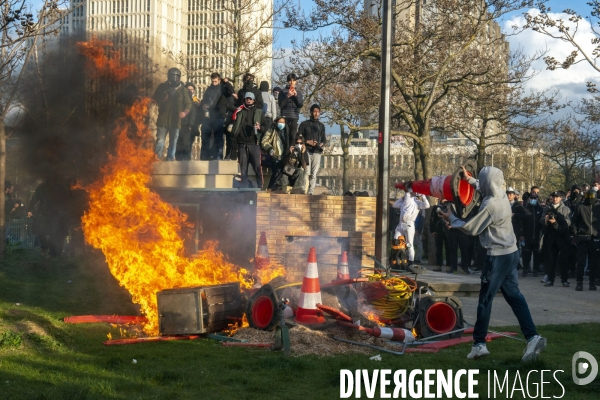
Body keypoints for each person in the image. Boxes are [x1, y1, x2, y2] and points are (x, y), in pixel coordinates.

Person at [439, 166, 546, 361]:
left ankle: (479, 344)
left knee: (485, 301)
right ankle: (532, 337)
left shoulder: (490, 205)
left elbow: (471, 228)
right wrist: (469, 179)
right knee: (514, 297)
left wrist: (451, 218)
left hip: (496, 256)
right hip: (511, 252)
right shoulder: (502, 196)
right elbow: (483, 185)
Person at [152, 68, 192, 161]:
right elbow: (154, 98)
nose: (174, 79)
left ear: (179, 77)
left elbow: (188, 104)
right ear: (168, 76)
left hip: (176, 120)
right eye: (172, 76)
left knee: (173, 141)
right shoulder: (162, 87)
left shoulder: (182, 90)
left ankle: (170, 158)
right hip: (163, 120)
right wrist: (162, 99)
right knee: (160, 140)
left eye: (176, 76)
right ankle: (157, 158)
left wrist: (184, 112)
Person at [230, 92, 266, 189]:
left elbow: (266, 127)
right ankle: (244, 188)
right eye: (247, 99)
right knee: (243, 169)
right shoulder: (240, 112)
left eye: (250, 98)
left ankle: (260, 187)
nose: (248, 100)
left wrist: (260, 128)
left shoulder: (259, 112)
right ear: (244, 100)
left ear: (254, 100)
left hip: (254, 144)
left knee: (257, 167)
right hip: (242, 144)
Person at [540, 191, 571, 287]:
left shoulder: (565, 209)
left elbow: (568, 222)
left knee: (563, 260)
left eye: (557, 197)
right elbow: (541, 221)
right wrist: (545, 220)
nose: (555, 199)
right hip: (551, 237)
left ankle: (564, 279)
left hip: (562, 237)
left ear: (561, 198)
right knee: (551, 260)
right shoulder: (547, 208)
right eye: (553, 197)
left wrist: (556, 221)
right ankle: (550, 279)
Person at [570, 189, 600, 291]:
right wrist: (575, 234)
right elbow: (574, 222)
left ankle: (592, 282)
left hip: (595, 238)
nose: (590, 198)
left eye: (592, 196)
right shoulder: (580, 207)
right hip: (582, 237)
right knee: (581, 262)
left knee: (594, 262)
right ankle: (579, 282)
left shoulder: (598, 207)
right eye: (588, 196)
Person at [392, 190, 430, 266]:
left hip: (409, 224)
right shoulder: (405, 201)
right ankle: (397, 259)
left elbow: (427, 205)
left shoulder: (417, 202)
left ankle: (411, 261)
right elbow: (394, 205)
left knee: (409, 244)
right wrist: (401, 198)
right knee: (396, 240)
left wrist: (423, 195)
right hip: (401, 224)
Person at [200, 72, 232, 160]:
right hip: (209, 116)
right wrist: (204, 105)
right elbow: (204, 99)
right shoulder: (209, 89)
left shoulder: (223, 88)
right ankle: (207, 157)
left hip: (220, 115)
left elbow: (231, 92)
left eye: (215, 81)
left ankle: (218, 157)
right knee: (207, 137)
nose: (214, 83)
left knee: (219, 138)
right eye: (212, 81)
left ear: (219, 80)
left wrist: (227, 83)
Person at [298, 104, 327, 195]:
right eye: (315, 111)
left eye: (318, 112)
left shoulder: (321, 126)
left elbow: (324, 139)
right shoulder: (304, 124)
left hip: (317, 152)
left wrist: (320, 144)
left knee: (314, 174)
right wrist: (307, 142)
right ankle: (304, 190)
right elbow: (298, 137)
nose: (316, 113)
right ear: (311, 112)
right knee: (306, 172)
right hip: (306, 151)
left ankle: (311, 192)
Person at [261, 116, 290, 189]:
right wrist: (270, 149)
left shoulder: (287, 131)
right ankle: (271, 189)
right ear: (276, 122)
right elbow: (264, 141)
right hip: (275, 156)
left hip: (285, 157)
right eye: (280, 122)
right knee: (276, 173)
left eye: (283, 122)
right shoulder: (271, 130)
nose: (281, 124)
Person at [521, 193, 544, 277]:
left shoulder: (540, 210)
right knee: (526, 253)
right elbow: (522, 224)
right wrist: (521, 235)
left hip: (537, 236)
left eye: (535, 198)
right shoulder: (525, 209)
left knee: (536, 253)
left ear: (537, 199)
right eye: (532, 197)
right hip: (527, 235)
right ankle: (525, 269)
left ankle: (535, 269)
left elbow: (542, 224)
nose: (533, 199)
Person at [177, 82, 201, 160]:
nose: (190, 91)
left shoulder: (196, 100)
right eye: (188, 89)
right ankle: (180, 159)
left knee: (189, 144)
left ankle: (186, 160)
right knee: (180, 143)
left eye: (192, 89)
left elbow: (196, 113)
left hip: (192, 126)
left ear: (194, 90)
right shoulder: (182, 99)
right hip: (184, 124)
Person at [278, 73, 304, 143]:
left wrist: (296, 96)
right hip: (285, 117)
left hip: (294, 117)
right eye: (290, 81)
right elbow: (281, 104)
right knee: (285, 136)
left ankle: (291, 151)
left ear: (296, 81)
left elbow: (300, 105)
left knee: (293, 136)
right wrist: (287, 96)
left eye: (293, 80)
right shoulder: (282, 92)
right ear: (287, 81)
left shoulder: (299, 93)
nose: (291, 82)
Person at [429, 199, 450, 272]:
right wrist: (432, 230)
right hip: (438, 231)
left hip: (448, 230)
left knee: (448, 249)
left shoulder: (450, 206)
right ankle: (438, 265)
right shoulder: (436, 207)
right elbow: (432, 219)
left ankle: (448, 265)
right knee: (438, 249)